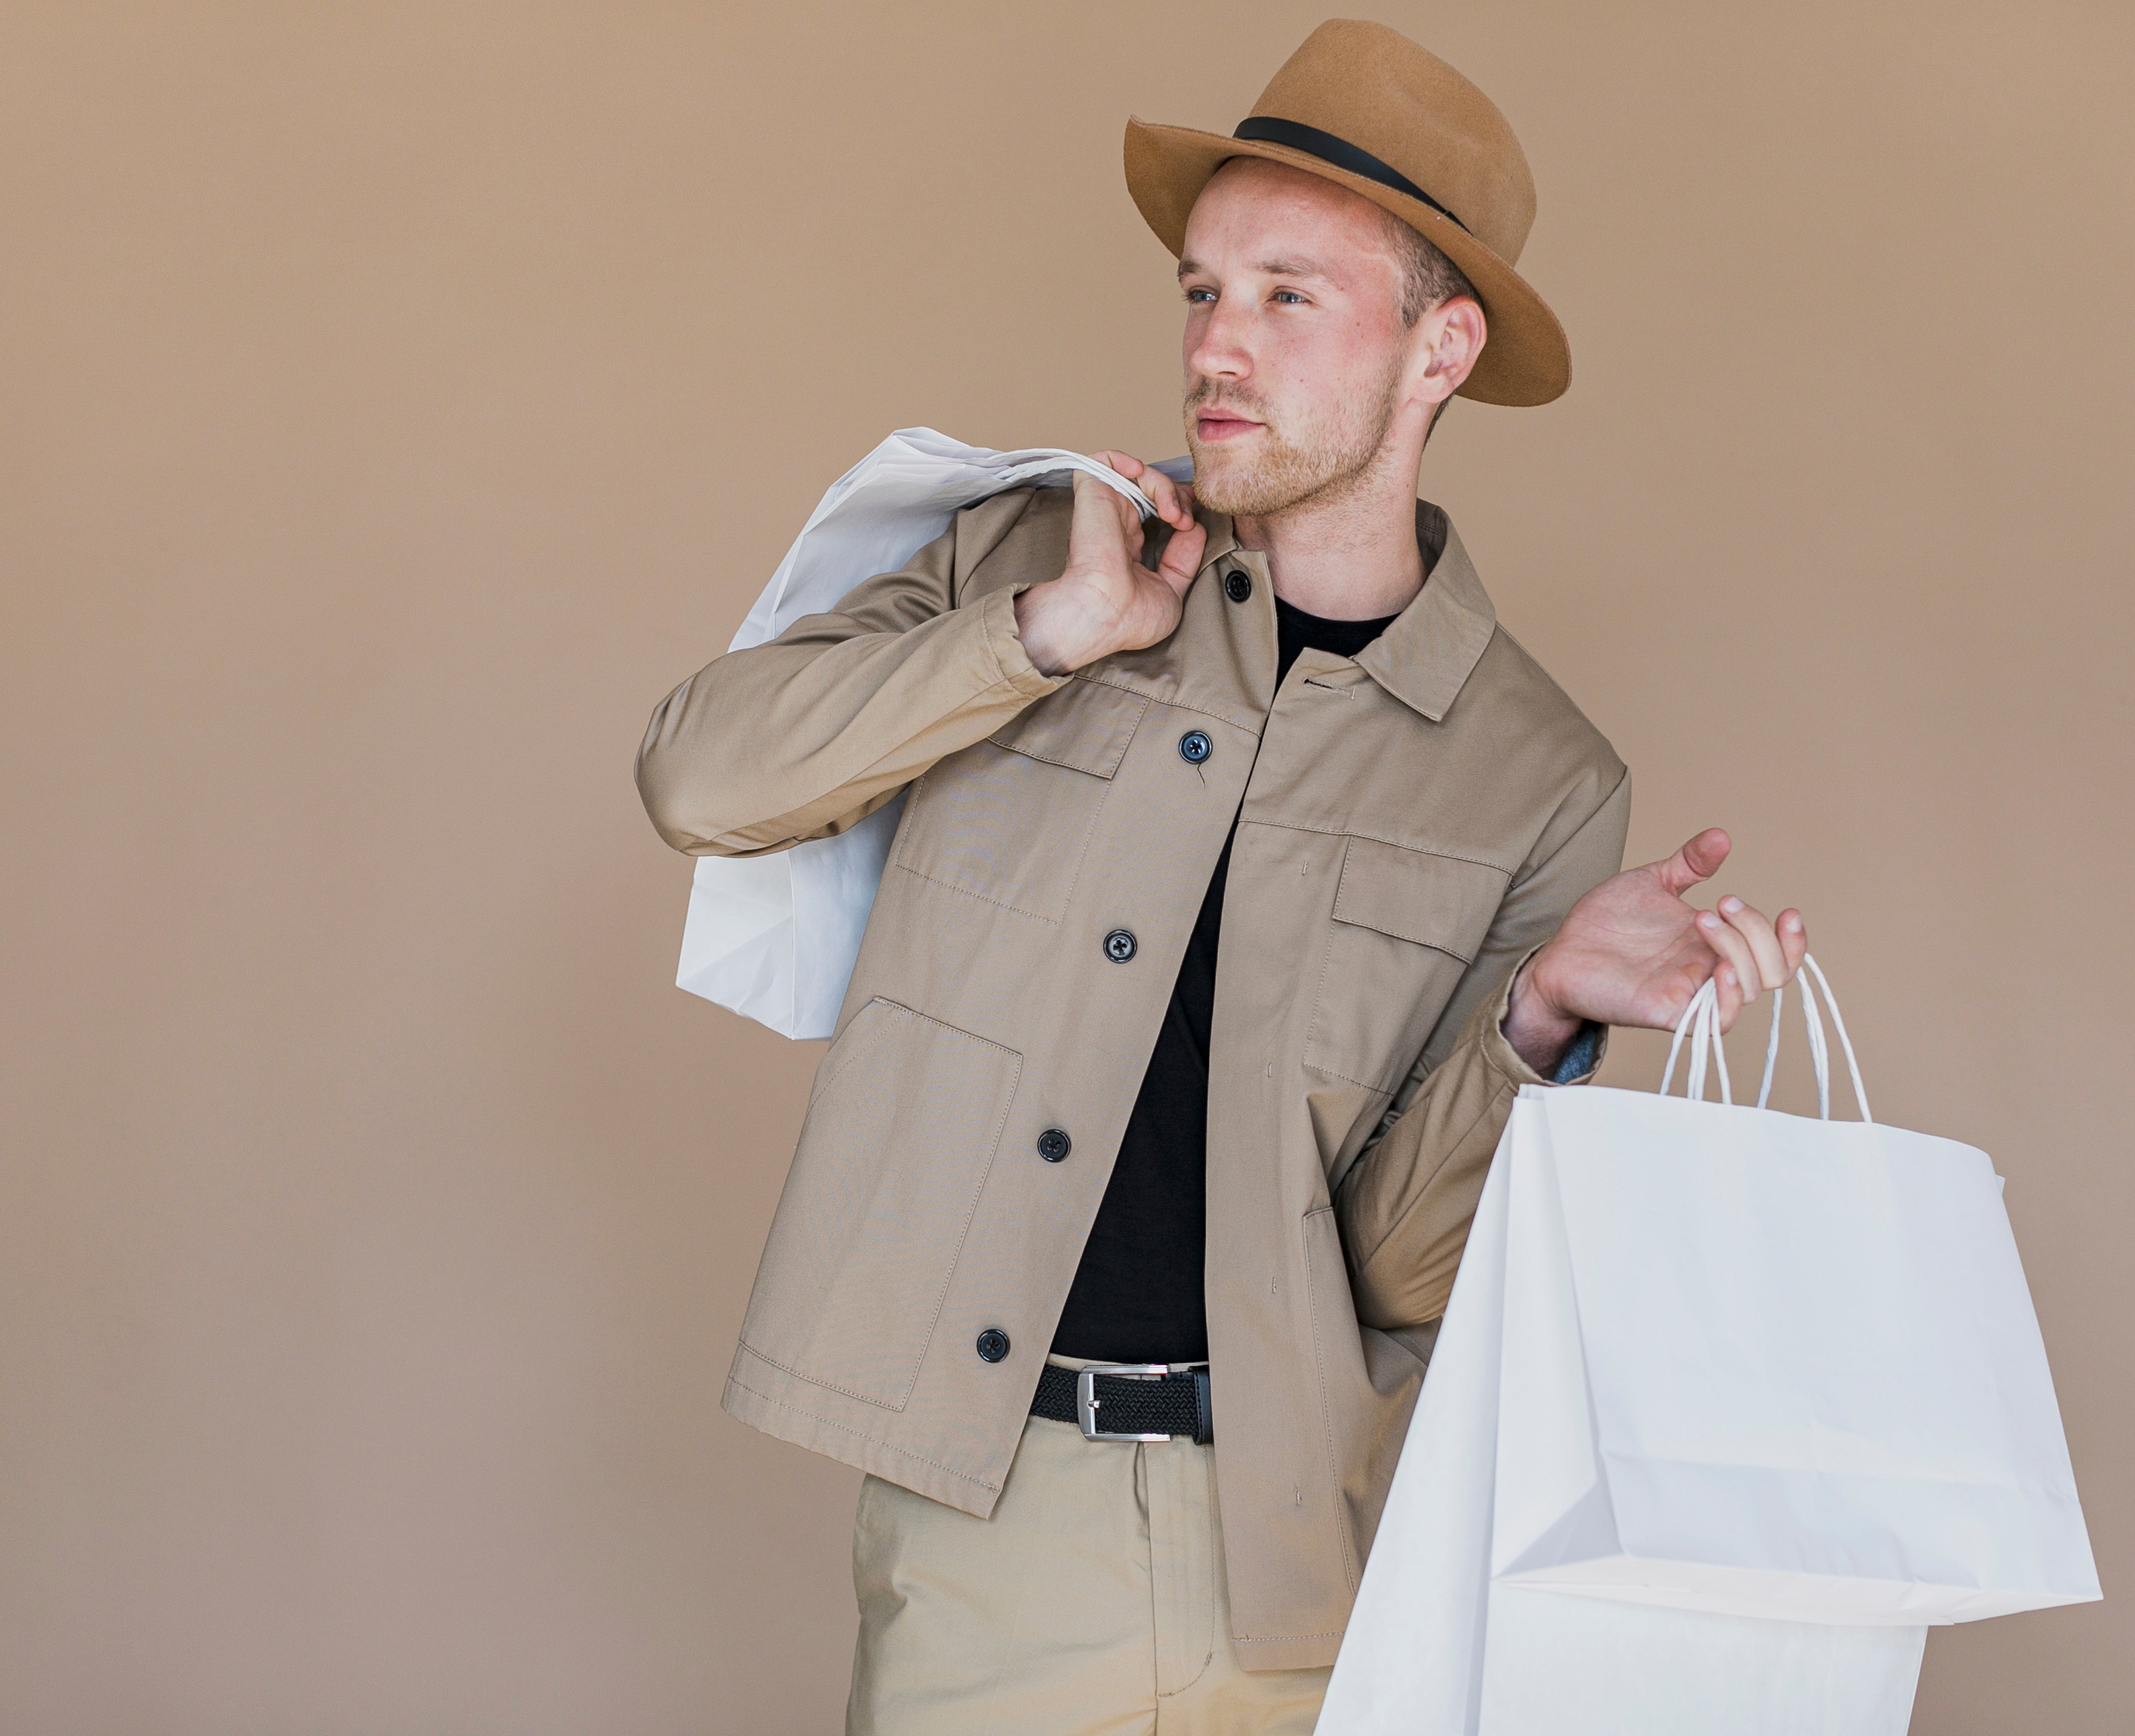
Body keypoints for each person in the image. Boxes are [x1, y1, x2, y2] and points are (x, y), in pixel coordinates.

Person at [636, 20, 1808, 1734]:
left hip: (1319, 1558)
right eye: (1199, 292)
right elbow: (700, 778)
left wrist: (1539, 1016)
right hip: (991, 1532)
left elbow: (1399, 1275)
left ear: (1439, 346)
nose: (1216, 349)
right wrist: (1046, 636)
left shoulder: (1541, 776)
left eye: (1285, 295)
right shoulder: (1030, 556)